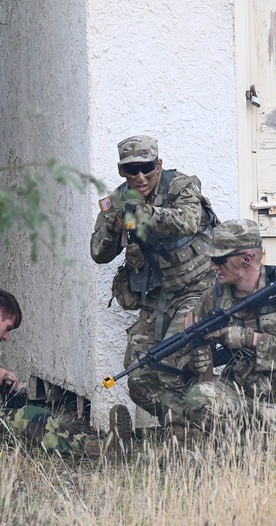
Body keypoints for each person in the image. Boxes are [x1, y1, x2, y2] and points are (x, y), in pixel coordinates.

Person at [90, 135, 219, 432]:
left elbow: (188, 220)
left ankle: (195, 427)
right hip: (157, 300)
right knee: (138, 375)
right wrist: (113, 225)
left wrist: (146, 214)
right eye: (131, 170)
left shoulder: (179, 186)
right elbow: (98, 253)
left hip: (199, 290)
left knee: (172, 355)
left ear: (158, 164)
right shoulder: (118, 200)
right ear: (121, 171)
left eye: (146, 168)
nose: (140, 176)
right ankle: (188, 423)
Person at [0, 289, 132, 457]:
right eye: (8, 327)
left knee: (27, 412)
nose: (6, 337)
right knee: (26, 419)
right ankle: (101, 449)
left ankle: (96, 443)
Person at [176, 220, 276, 440]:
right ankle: (234, 445)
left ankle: (255, 443)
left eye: (219, 260)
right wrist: (193, 362)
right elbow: (181, 347)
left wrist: (248, 339)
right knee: (201, 398)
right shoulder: (213, 297)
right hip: (240, 392)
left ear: (247, 259)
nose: (212, 266)